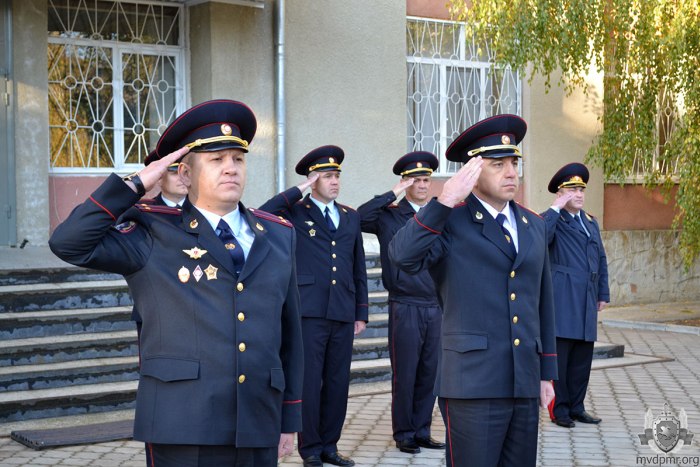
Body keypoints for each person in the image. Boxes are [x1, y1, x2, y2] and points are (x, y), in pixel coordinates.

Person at [49, 99, 303, 467]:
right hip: (183, 421)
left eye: (238, 159)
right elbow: (68, 242)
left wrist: (289, 418)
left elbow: (290, 333)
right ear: (184, 174)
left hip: (257, 420)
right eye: (216, 160)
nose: (230, 168)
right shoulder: (153, 231)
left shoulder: (278, 235)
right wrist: (136, 184)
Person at [388, 114, 557, 467]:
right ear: (474, 171)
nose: (511, 172)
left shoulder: (534, 225)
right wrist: (442, 202)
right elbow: (402, 257)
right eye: (498, 165)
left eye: (513, 162)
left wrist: (546, 374)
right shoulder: (450, 220)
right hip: (472, 384)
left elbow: (543, 303)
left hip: (523, 381)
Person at [259, 145, 368, 467]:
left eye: (336, 176)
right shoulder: (295, 212)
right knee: (309, 381)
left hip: (342, 310)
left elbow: (357, 265)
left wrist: (360, 311)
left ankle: (330, 446)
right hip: (308, 310)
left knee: (337, 382)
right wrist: (298, 191)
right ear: (312, 179)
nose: (334, 182)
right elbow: (262, 212)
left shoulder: (350, 216)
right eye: (326, 176)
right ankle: (310, 448)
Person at [357, 151, 445, 455]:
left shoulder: (437, 214)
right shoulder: (390, 215)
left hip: (435, 304)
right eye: (416, 180)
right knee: (405, 372)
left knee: (429, 373)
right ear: (406, 182)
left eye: (426, 179)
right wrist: (393, 192)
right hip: (405, 303)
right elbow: (359, 216)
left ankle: (422, 430)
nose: (422, 185)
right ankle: (404, 432)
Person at [542, 162, 610, 428]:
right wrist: (556, 207)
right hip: (562, 296)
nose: (579, 194)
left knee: (582, 357)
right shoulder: (552, 219)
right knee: (562, 356)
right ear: (561, 193)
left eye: (581, 189)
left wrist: (602, 293)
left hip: (586, 297)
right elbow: (540, 238)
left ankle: (577, 405)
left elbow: (601, 259)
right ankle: (559, 410)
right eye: (572, 190)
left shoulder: (590, 222)